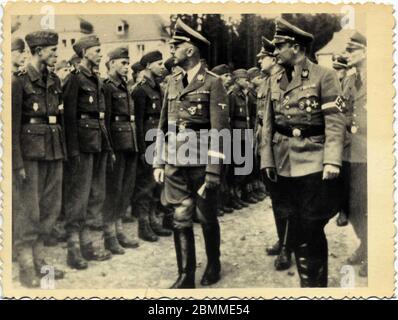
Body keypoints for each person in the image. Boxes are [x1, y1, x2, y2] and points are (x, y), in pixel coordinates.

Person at [260, 18, 346, 287]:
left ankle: (314, 287)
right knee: (293, 225)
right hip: (283, 163)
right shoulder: (275, 79)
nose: (275, 52)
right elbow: (268, 124)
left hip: (313, 160)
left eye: (280, 46)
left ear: (295, 47)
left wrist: (332, 160)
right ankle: (307, 285)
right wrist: (267, 160)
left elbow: (334, 121)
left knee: (311, 226)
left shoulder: (324, 76)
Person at [153, 18, 230, 288]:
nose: (172, 51)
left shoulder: (213, 83)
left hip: (200, 163)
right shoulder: (172, 82)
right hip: (174, 161)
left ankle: (214, 263)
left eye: (176, 46)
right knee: (180, 216)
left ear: (190, 51)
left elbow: (221, 131)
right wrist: (159, 160)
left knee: (207, 216)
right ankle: (186, 275)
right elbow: (163, 124)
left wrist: (213, 169)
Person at [12, 31, 66, 287]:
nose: (56, 54)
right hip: (29, 154)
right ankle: (25, 265)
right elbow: (10, 128)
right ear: (39, 50)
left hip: (52, 151)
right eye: (53, 50)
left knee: (49, 207)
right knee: (28, 210)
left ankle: (40, 259)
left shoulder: (53, 80)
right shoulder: (18, 82)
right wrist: (16, 163)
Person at [63, 34, 113, 270]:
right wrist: (72, 150)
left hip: (98, 142)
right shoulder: (75, 78)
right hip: (81, 145)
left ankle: (89, 244)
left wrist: (107, 145)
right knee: (79, 196)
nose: (100, 53)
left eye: (100, 49)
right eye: (96, 50)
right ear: (84, 53)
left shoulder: (96, 78)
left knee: (96, 194)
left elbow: (101, 115)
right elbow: (69, 116)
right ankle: (74, 249)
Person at [256, 36, 292, 270]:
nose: (259, 61)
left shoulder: (286, 80)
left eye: (263, 57)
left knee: (287, 199)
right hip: (266, 145)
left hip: (284, 147)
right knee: (277, 199)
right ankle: (283, 241)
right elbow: (261, 119)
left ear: (274, 59)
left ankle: (289, 247)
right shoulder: (265, 82)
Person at [102, 46, 141, 254]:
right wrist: (109, 149)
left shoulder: (126, 85)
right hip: (116, 144)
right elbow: (105, 121)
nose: (126, 67)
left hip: (129, 142)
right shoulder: (107, 86)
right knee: (113, 189)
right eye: (123, 63)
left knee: (125, 188)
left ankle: (118, 230)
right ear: (112, 63)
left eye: (128, 63)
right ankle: (109, 234)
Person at [132, 50, 172, 242]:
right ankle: (144, 224)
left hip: (159, 140)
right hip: (147, 142)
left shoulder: (158, 88)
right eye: (159, 63)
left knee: (157, 182)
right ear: (148, 65)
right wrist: (140, 148)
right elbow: (138, 122)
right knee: (145, 185)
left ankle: (155, 219)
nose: (162, 67)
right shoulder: (140, 90)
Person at [342, 32, 368, 277]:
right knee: (351, 206)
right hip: (350, 151)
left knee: (368, 204)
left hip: (372, 153)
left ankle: (372, 250)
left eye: (351, 51)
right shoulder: (349, 81)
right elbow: (341, 111)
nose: (347, 55)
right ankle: (366, 244)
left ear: (365, 52)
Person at [229, 69, 258, 207]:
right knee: (237, 167)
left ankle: (245, 193)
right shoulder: (232, 95)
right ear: (237, 80)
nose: (248, 82)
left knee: (246, 166)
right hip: (236, 135)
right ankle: (233, 196)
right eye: (245, 79)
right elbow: (229, 118)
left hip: (246, 133)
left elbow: (251, 115)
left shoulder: (247, 95)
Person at [332, 54, 355, 227]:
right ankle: (339, 207)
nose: (336, 72)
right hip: (338, 133)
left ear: (345, 70)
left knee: (347, 175)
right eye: (335, 69)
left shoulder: (350, 84)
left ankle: (345, 211)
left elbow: (348, 110)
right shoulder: (336, 84)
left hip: (350, 135)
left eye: (339, 69)